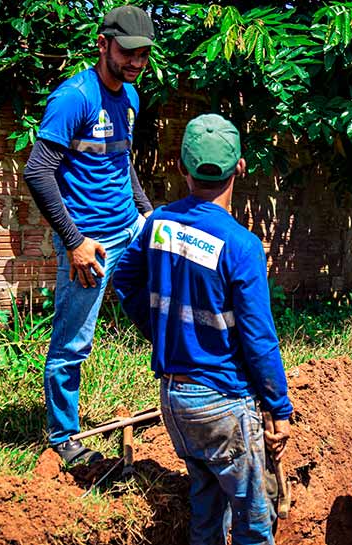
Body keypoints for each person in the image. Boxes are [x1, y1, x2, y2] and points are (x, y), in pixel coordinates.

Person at [112, 113, 293, 545]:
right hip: (222, 403)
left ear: (181, 167)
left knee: (207, 510)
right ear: (241, 168)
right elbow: (259, 339)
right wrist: (279, 408)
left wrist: (161, 331)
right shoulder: (242, 246)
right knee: (253, 522)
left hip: (175, 400)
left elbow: (124, 279)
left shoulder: (158, 223)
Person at [22, 6, 155, 464]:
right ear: (103, 44)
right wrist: (75, 242)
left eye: (143, 54)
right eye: (128, 52)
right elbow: (38, 173)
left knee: (163, 304)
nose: (136, 62)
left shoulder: (132, 97)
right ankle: (63, 439)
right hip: (90, 241)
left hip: (130, 227)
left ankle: (185, 392)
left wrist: (147, 215)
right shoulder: (73, 98)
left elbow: (122, 162)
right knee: (73, 342)